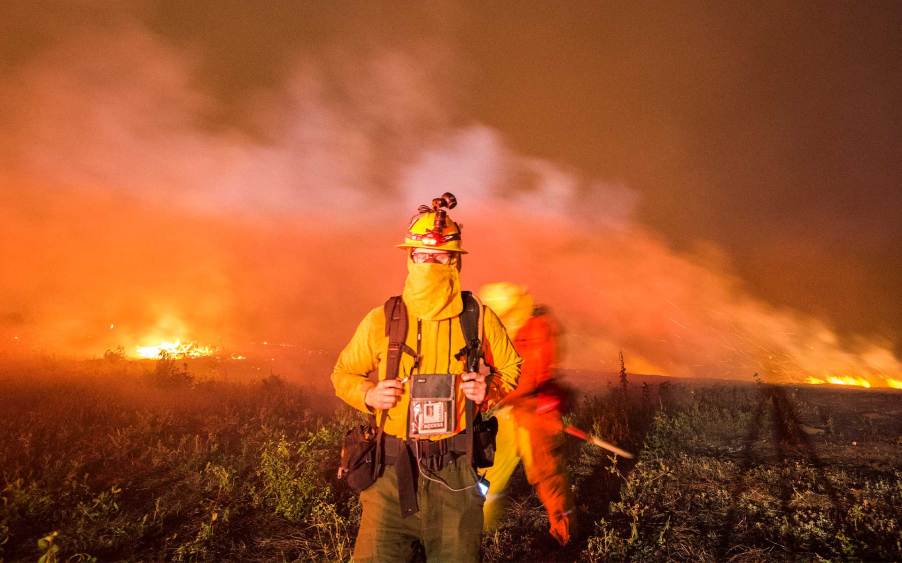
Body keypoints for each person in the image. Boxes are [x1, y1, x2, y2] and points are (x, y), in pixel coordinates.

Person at [331, 194, 522, 562]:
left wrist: (487, 391)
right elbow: (343, 373)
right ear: (410, 258)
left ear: (455, 261)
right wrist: (369, 394)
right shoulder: (383, 319)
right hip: (389, 474)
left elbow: (512, 368)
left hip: (456, 473)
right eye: (422, 256)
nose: (430, 264)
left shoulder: (478, 317)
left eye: (440, 257)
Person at [478, 282, 575, 545]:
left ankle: (564, 532)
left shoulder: (538, 329)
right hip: (510, 412)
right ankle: (479, 522)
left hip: (535, 413)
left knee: (547, 474)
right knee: (491, 469)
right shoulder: (501, 330)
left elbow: (534, 376)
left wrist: (493, 397)